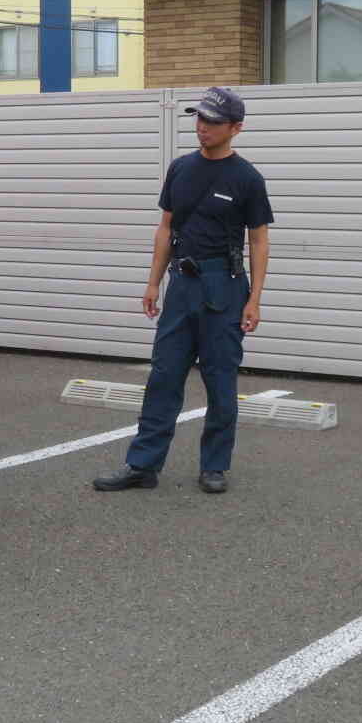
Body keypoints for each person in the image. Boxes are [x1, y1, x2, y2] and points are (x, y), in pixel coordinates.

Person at [94, 87, 272, 495]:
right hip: (182, 285)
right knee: (164, 376)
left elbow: (258, 241)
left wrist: (255, 298)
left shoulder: (247, 178)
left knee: (220, 379)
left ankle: (215, 466)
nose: (202, 126)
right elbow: (167, 227)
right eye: (200, 118)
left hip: (223, 287)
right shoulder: (180, 169)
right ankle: (142, 465)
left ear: (236, 128)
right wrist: (154, 281)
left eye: (212, 121)